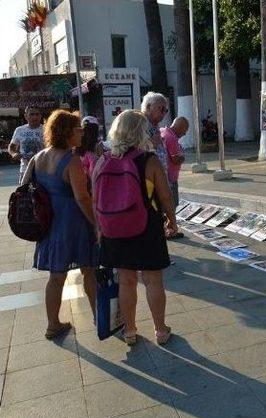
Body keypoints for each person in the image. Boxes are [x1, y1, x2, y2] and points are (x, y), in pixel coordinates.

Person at [93, 109, 176, 346]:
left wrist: (100, 229)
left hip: (113, 229)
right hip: (146, 226)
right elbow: (165, 196)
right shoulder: (148, 160)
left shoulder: (102, 161)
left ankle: (129, 331)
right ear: (142, 132)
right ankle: (160, 330)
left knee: (126, 281)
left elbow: (95, 200)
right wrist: (172, 220)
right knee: (153, 280)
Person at [21, 110, 97, 339]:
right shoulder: (72, 161)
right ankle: (98, 317)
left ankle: (52, 324)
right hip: (74, 224)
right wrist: (97, 225)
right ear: (66, 132)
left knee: (56, 277)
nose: (82, 133)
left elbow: (24, 188)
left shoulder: (38, 157)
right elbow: (82, 198)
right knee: (89, 271)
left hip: (50, 225)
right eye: (78, 129)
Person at [161, 117, 188, 239]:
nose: (185, 133)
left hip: (166, 176)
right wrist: (183, 157)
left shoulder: (164, 131)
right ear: (179, 127)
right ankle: (170, 231)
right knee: (172, 205)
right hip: (170, 178)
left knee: (167, 205)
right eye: (185, 130)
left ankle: (166, 229)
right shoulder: (171, 137)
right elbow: (176, 159)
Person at [10, 106, 44, 182]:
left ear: (40, 116)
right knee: (23, 193)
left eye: (37, 114)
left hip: (42, 170)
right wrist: (14, 154)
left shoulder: (46, 129)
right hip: (25, 170)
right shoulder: (19, 130)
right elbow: (11, 147)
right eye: (32, 114)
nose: (35, 117)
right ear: (26, 116)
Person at [141, 91, 170, 177]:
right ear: (149, 107)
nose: (164, 113)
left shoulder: (154, 125)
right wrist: (152, 144)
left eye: (166, 110)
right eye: (161, 109)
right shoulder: (140, 125)